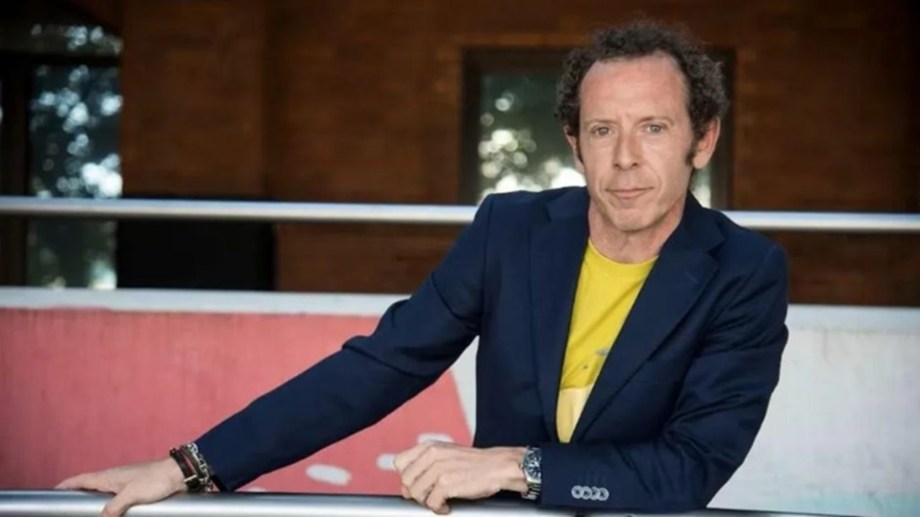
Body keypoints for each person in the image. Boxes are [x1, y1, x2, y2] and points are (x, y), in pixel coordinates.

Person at [58, 21, 789, 517]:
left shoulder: (744, 271)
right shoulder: (511, 231)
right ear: (574, 142)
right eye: (603, 130)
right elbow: (380, 366)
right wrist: (190, 466)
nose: (625, 158)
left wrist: (517, 466)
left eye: (653, 127)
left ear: (702, 139)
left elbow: (692, 464)